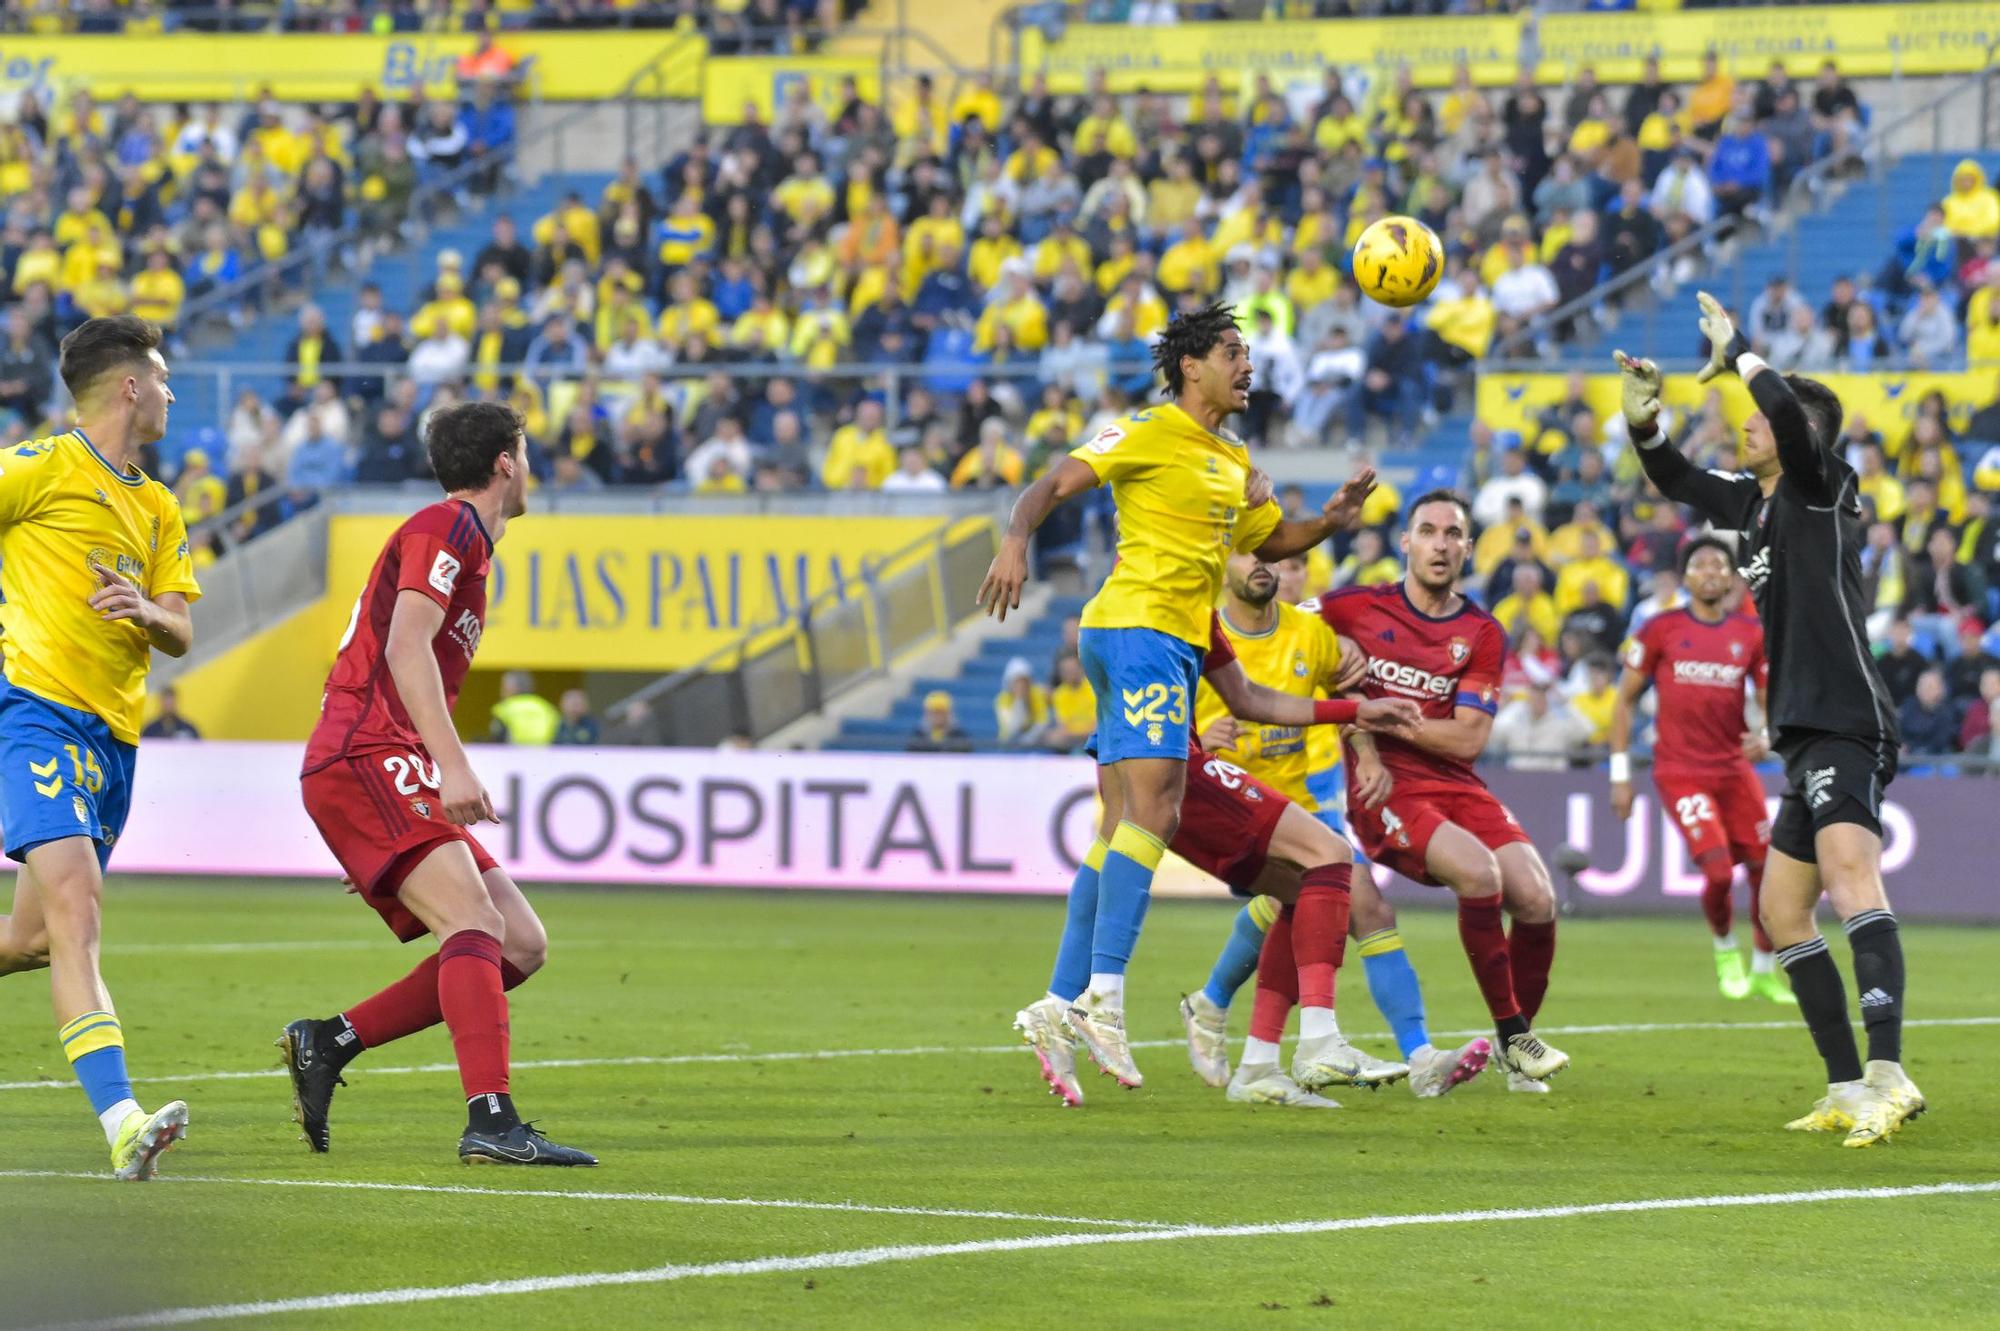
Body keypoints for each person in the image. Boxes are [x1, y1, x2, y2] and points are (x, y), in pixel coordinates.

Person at [981, 301, 1376, 1089]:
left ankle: (1064, 1000)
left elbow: (1272, 540)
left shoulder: (1231, 461)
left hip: (1157, 638)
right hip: (1143, 628)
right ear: (1190, 366)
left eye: (1248, 351)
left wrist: (1332, 520)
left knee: (1123, 822)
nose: (1247, 364)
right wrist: (1017, 537)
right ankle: (1105, 997)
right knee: (1158, 812)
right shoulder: (1149, 430)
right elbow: (1056, 481)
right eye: (1233, 350)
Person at [1616, 296, 1922, 1148]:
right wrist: (1646, 427)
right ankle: (1844, 1084)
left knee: (1852, 877)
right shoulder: (1753, 506)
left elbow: (1785, 410)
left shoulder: (1823, 489)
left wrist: (1745, 353)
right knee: (1785, 910)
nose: (1748, 427)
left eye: (1760, 420)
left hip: (1848, 718)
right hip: (1801, 731)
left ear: (1798, 439)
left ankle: (1890, 1074)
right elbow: (1677, 478)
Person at [281, 402, 596, 1167]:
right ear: (504, 463)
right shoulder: (450, 526)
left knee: (520, 941)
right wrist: (449, 767)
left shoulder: (469, 546)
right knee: (474, 925)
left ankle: (330, 1039)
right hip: (369, 751)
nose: (531, 465)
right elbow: (406, 644)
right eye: (525, 450)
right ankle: (490, 1118)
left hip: (383, 767)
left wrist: (398, 819)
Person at [1020, 611, 1423, 1109]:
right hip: (1181, 766)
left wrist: (1352, 713)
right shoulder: (1161, 594)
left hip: (1134, 755)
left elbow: (1249, 698)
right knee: (1330, 856)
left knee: (1293, 888)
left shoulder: (1141, 606)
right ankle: (1316, 1038)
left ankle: (1250, 1063)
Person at [0, 316, 199, 1179]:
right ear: (129, 386)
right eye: (162, 377)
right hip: (35, 715)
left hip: (115, 746)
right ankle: (123, 1121)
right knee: (78, 912)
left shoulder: (157, 505)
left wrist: (146, 611)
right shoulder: (40, 469)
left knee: (35, 940)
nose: (170, 392)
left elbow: (181, 628)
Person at [1181, 553, 1492, 1102]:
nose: (1283, 571)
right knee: (1312, 895)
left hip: (1301, 807)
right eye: (1262, 557)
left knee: (1361, 903)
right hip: (1232, 805)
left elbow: (1351, 704)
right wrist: (1205, 733)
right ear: (1222, 563)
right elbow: (1163, 717)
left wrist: (1368, 757)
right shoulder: (1197, 630)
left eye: (1294, 563)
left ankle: (1413, 1054)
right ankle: (1224, 1011)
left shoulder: (1308, 632)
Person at [1308, 492, 1571, 1091]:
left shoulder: (1481, 632)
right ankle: (1515, 1037)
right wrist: (1354, 711)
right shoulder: (1350, 609)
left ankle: (1515, 1043)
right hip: (1388, 789)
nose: (1441, 544)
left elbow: (1468, 741)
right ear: (1406, 542)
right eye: (1428, 531)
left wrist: (1377, 712)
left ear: (1468, 549)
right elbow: (1281, 629)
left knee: (1536, 898)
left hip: (1457, 785)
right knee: (1480, 877)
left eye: (1454, 534)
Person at [1611, 537, 1791, 1003]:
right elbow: (1623, 700)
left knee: (1765, 870)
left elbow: (1771, 699)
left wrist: (1767, 736)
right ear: (1685, 577)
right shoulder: (1659, 629)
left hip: (1734, 771)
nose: (1710, 571)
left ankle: (1764, 968)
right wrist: (1619, 775)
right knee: (1716, 875)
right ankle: (1724, 948)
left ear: (1731, 579)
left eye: (1719, 564)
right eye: (1700, 564)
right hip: (1680, 771)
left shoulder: (1750, 634)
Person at [487, 670, 559, 745]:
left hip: (513, 753)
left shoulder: (504, 709)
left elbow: (497, 737)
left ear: (513, 688)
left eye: (503, 686)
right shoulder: (545, 707)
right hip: (544, 753)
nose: (500, 690)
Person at [907, 690, 971, 753]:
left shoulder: (960, 737)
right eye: (934, 712)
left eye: (941, 712)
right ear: (927, 714)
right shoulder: (917, 737)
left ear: (949, 714)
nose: (938, 716)